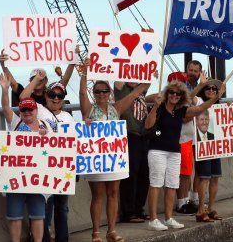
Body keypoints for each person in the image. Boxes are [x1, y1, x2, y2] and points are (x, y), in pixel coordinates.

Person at [79, 58, 151, 242]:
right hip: (96, 159)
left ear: (109, 92)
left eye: (104, 91)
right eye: (97, 91)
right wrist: (85, 72)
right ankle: (96, 232)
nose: (101, 94)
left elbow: (136, 92)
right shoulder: (88, 109)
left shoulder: (116, 108)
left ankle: (111, 231)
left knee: (113, 194)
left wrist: (149, 70)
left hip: (113, 159)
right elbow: (81, 93)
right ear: (93, 93)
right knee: (97, 195)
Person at [144, 78, 225, 231]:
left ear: (181, 96)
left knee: (172, 185)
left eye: (178, 93)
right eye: (172, 93)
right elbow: (148, 124)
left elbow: (201, 107)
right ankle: (153, 219)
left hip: (175, 152)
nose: (175, 95)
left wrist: (216, 97)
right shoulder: (159, 108)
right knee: (156, 184)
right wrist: (155, 106)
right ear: (167, 94)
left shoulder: (181, 111)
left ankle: (168, 218)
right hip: (157, 151)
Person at [0, 73, 51, 242]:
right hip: (16, 177)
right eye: (24, 109)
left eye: (30, 109)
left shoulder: (45, 126)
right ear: (20, 111)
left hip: (37, 179)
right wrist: (5, 90)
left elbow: (56, 149)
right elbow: (6, 107)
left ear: (36, 110)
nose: (27, 112)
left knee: (38, 215)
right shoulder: (16, 123)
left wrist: (45, 136)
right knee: (15, 216)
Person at [21, 79, 75, 242]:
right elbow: (24, 97)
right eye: (53, 94)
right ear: (46, 95)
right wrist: (37, 79)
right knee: (44, 207)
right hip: (44, 168)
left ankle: (62, 239)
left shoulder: (68, 116)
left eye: (60, 95)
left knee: (62, 208)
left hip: (63, 169)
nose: (56, 98)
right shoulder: (41, 110)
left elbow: (77, 140)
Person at [115, 74, 158, 224]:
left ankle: (139, 209)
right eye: (129, 76)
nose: (133, 79)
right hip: (128, 136)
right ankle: (128, 212)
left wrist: (150, 73)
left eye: (136, 76)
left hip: (143, 137)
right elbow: (118, 76)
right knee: (130, 175)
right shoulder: (121, 89)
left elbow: (147, 80)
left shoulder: (141, 92)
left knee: (144, 175)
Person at [0, 49, 76, 106]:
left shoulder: (51, 94)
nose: (38, 80)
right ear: (30, 81)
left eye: (41, 78)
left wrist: (73, 60)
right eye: (34, 78)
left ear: (46, 80)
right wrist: (3, 65)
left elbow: (65, 80)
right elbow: (12, 83)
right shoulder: (24, 92)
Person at [194, 79, 224, 222]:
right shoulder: (198, 100)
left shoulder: (219, 104)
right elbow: (188, 98)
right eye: (208, 88)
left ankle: (211, 208)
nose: (211, 91)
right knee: (204, 177)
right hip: (202, 144)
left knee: (215, 177)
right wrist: (200, 85)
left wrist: (228, 106)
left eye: (214, 89)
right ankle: (201, 210)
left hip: (215, 144)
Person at [176, 60, 203, 215]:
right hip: (184, 135)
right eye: (190, 70)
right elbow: (186, 101)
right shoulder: (181, 86)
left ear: (200, 73)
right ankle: (182, 202)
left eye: (195, 70)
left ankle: (195, 199)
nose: (192, 73)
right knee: (185, 171)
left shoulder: (204, 88)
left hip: (200, 135)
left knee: (199, 169)